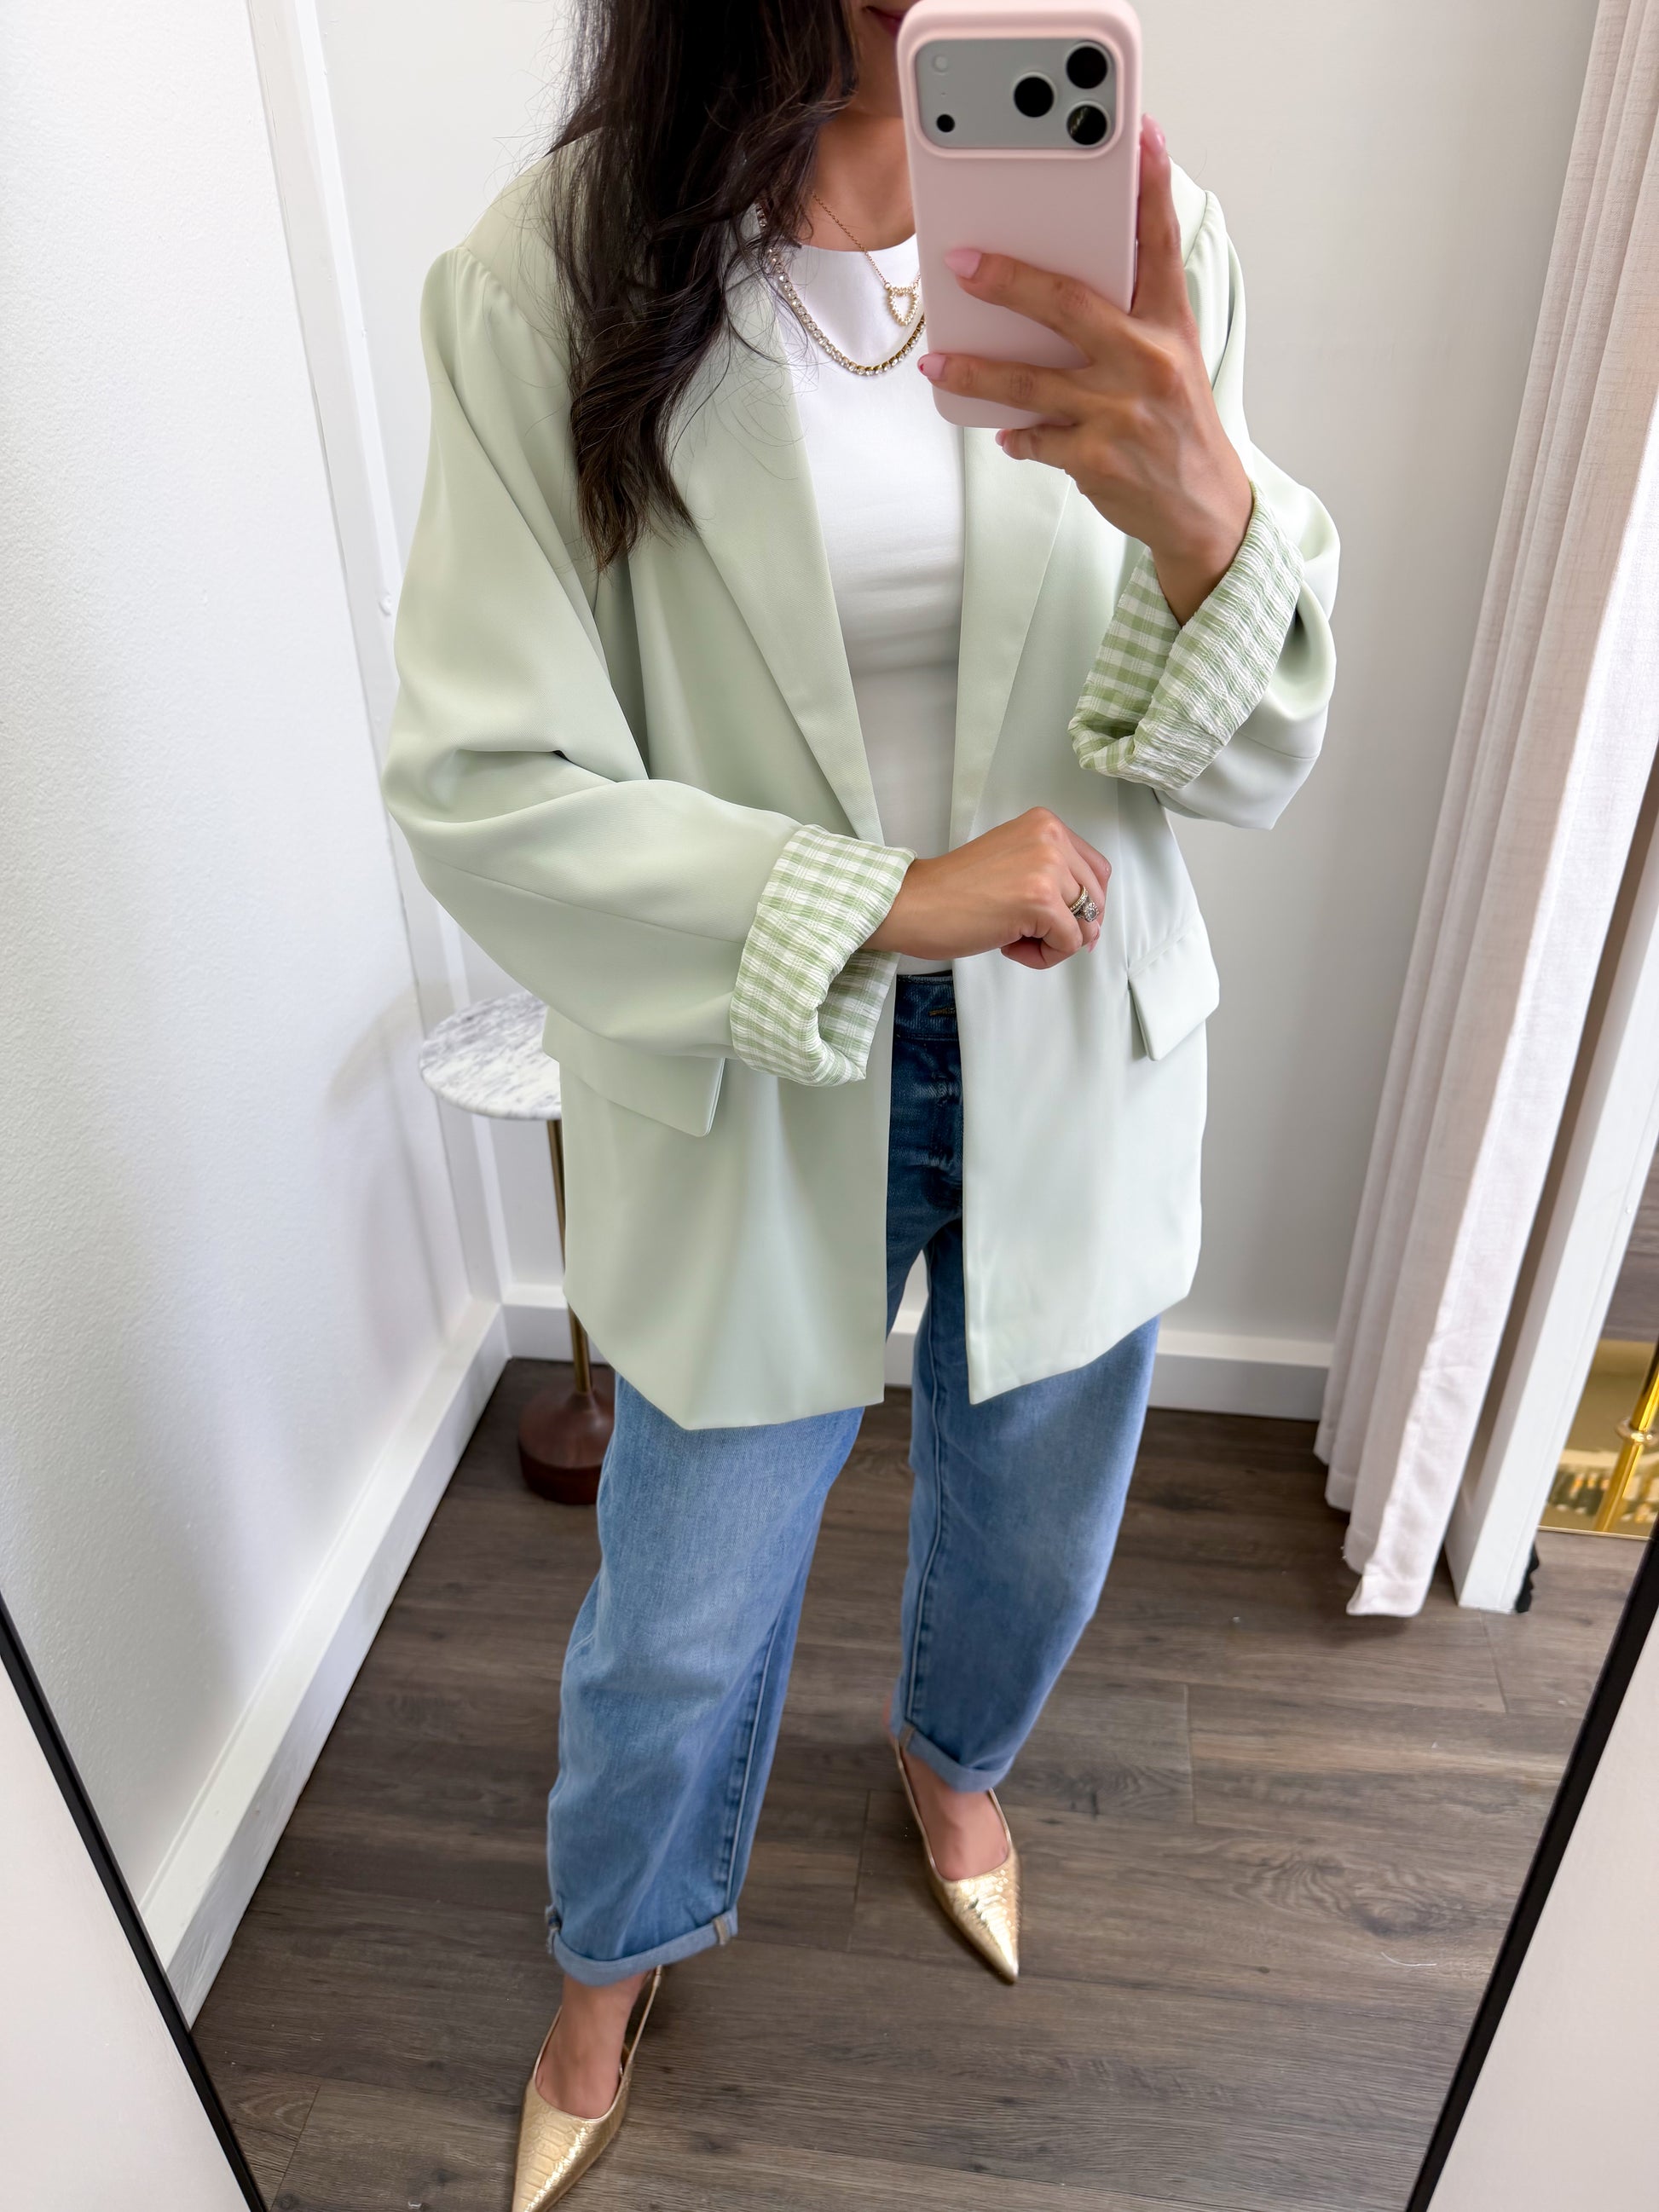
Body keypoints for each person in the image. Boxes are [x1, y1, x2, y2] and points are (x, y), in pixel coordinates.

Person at [381, 1, 1338, 2202]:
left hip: (1078, 1037)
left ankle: (953, 1755)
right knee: (679, 1605)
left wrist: (1214, 530)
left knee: (1040, 1525)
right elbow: (485, 781)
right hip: (750, 1051)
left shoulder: (1132, 224)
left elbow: (1254, 755)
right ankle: (613, 1949)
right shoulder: (550, 279)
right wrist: (889, 901)